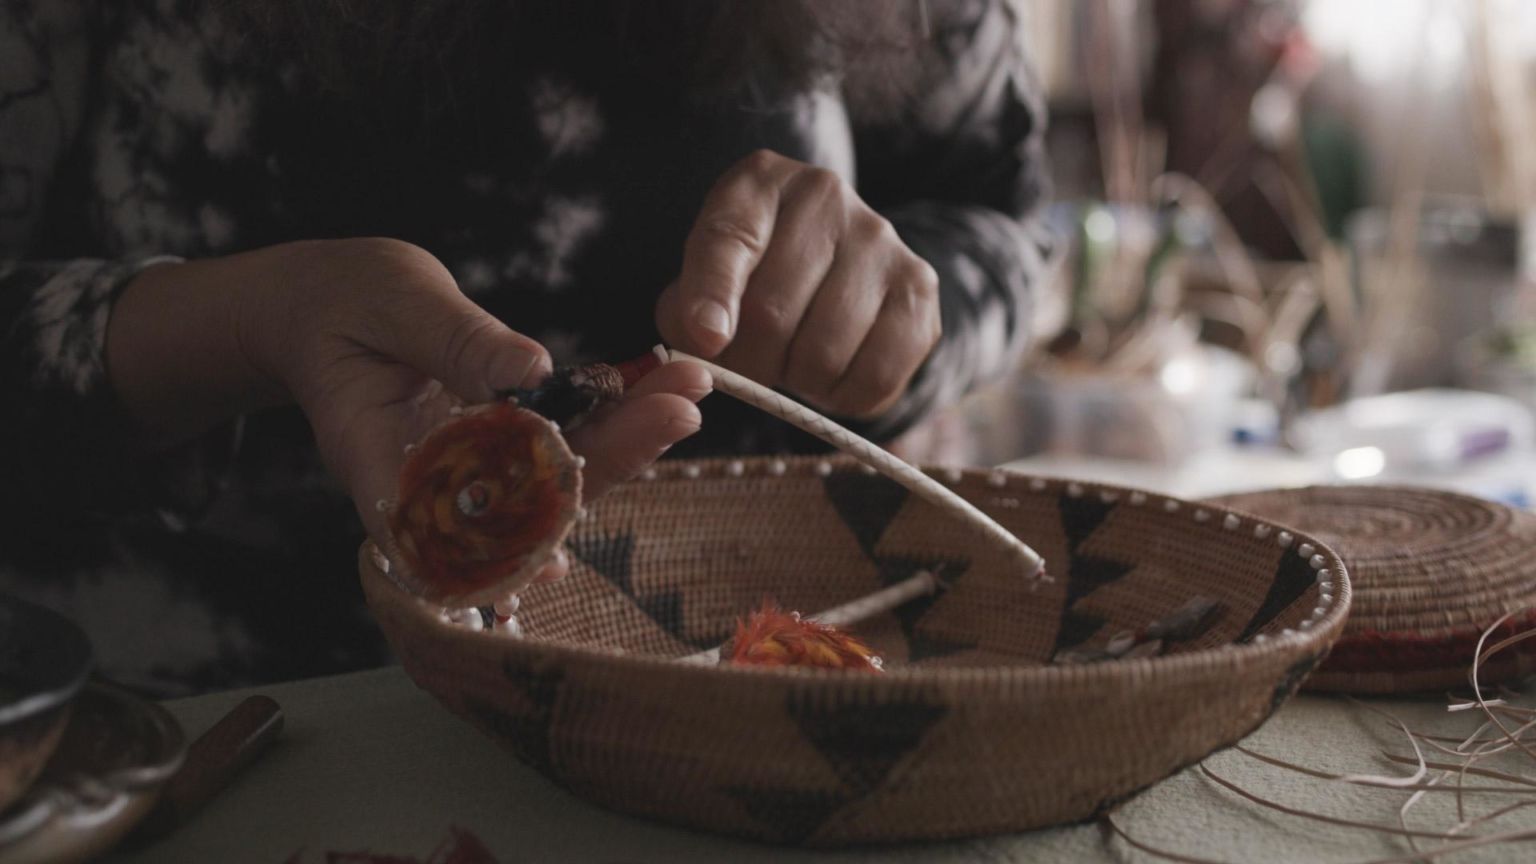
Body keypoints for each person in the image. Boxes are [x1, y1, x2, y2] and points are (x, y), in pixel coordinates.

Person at [0, 0, 1051, 695]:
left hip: (751, 712)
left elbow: (1006, 218)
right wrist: (240, 326)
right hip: (207, 728)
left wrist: (897, 316)